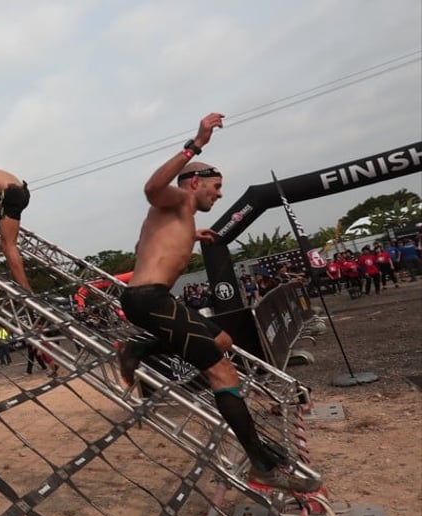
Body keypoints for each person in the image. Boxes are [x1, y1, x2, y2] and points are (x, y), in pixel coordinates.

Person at [116, 112, 320, 494]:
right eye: (217, 186)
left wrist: (193, 236)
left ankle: (140, 347)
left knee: (224, 341)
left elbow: (153, 246)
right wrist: (196, 144)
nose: (220, 194)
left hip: (150, 299)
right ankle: (261, 464)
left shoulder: (182, 216)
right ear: (195, 182)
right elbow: (151, 187)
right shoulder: (176, 200)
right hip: (149, 298)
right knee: (222, 373)